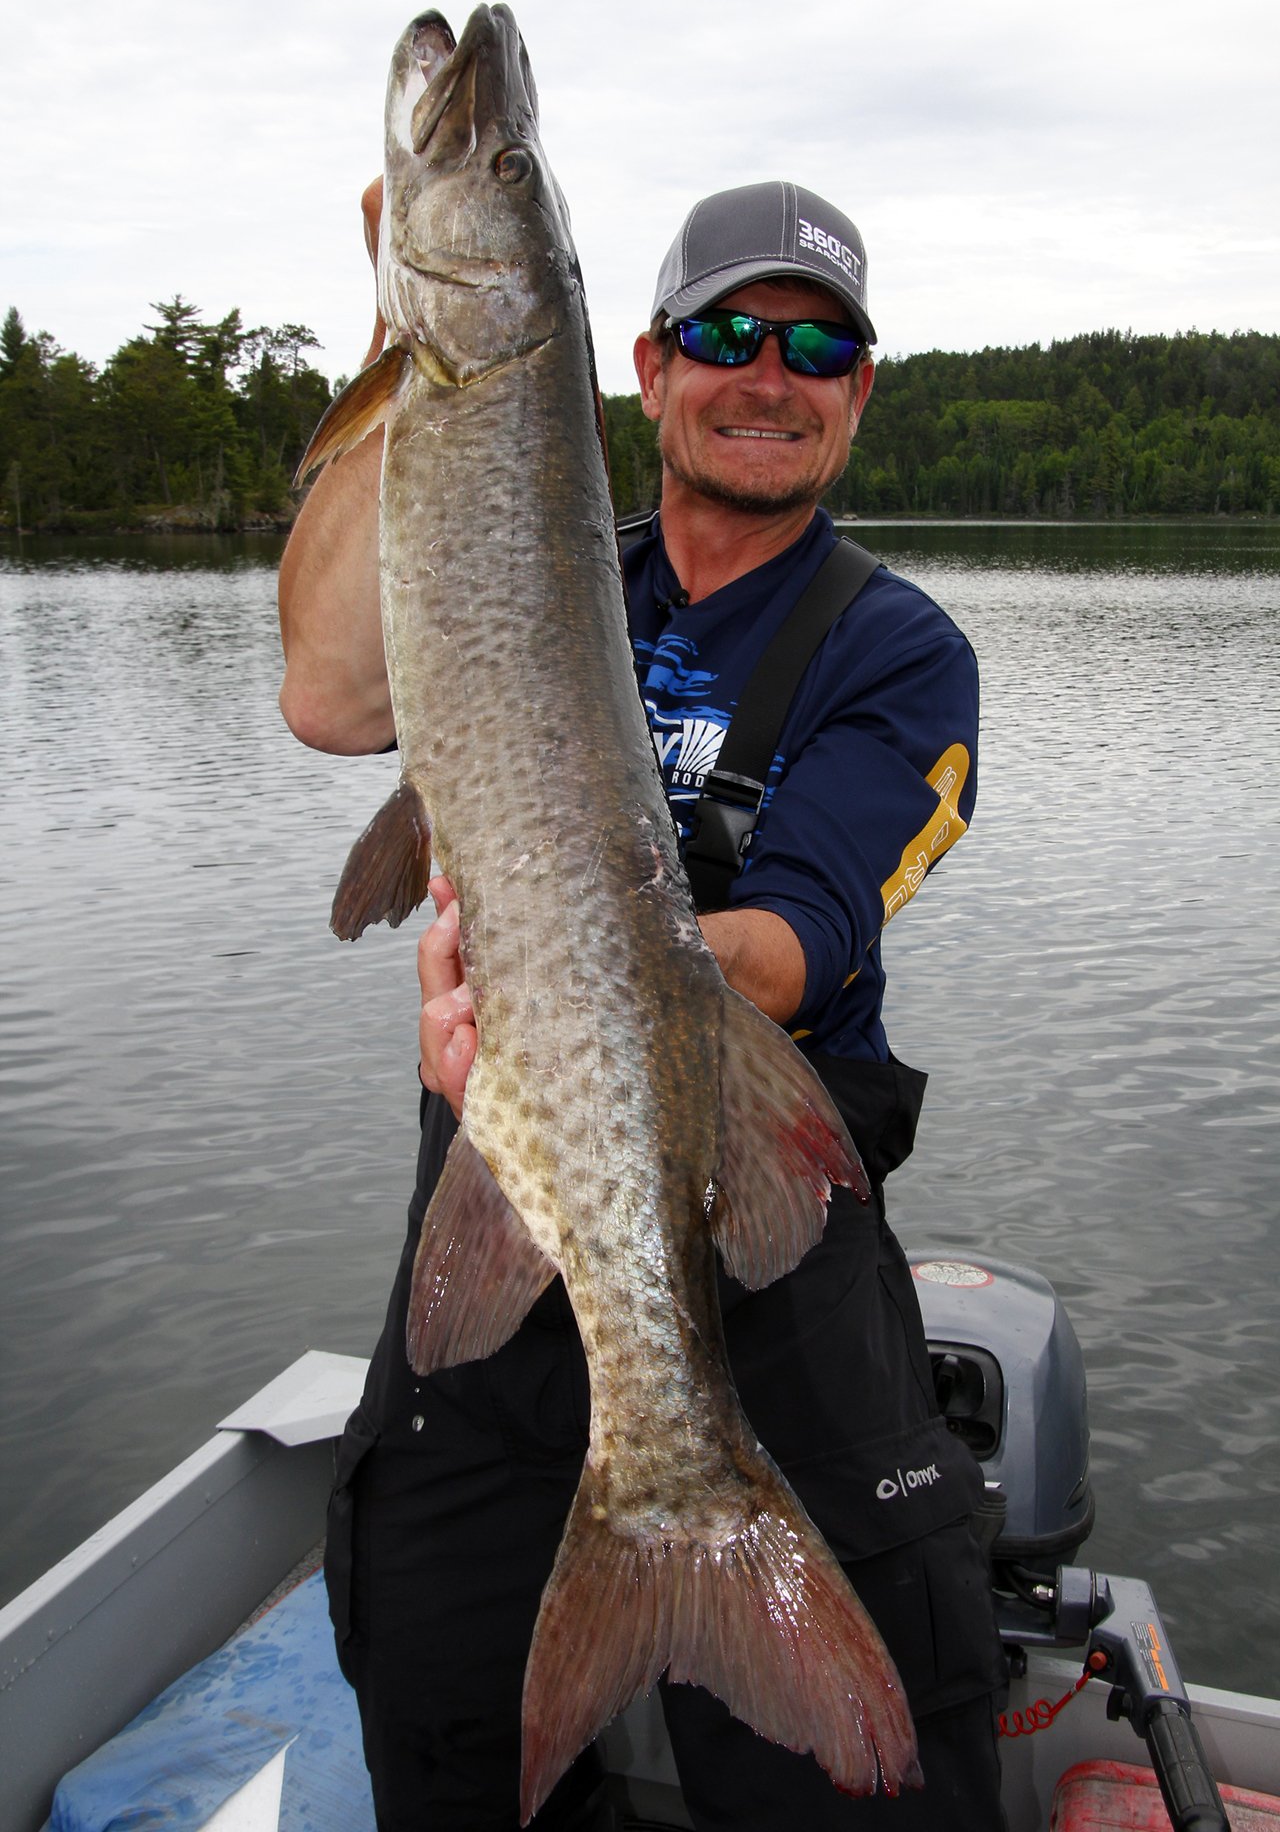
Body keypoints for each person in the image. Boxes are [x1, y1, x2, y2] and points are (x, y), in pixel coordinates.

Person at [278, 178, 1008, 1831]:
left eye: (817, 348)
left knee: (849, 1799)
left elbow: (798, 941)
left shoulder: (899, 652)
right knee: (441, 1727)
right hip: (499, 1212)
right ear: (650, 365)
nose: (771, 375)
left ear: (861, 391)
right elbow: (324, 695)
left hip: (763, 1263)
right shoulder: (524, 563)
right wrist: (411, 331)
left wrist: (562, 992)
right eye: (730, 332)